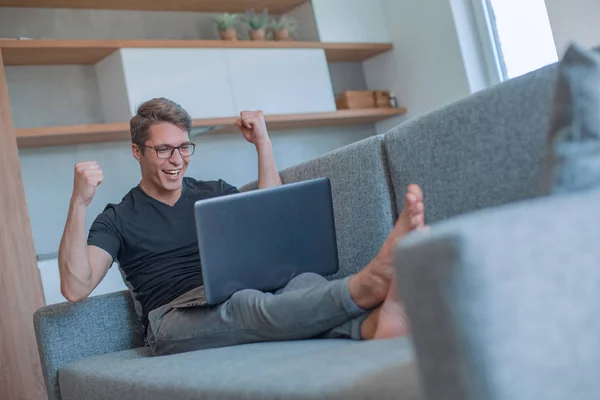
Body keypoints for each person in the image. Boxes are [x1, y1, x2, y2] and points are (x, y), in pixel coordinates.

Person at [58, 97, 426, 356]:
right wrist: (79, 202)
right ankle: (368, 285)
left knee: (302, 283)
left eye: (184, 148)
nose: (177, 160)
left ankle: (374, 326)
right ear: (137, 151)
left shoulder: (214, 192)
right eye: (164, 150)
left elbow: (273, 220)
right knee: (248, 306)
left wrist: (262, 143)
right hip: (172, 318)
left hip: (237, 290)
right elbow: (76, 287)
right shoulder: (117, 218)